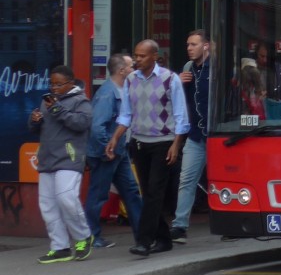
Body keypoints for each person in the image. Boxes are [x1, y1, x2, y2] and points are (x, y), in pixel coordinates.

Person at [107, 39, 189, 257]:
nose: (137, 59)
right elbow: (125, 114)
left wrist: (176, 144)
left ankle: (144, 241)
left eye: (142, 56)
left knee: (154, 192)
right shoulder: (131, 80)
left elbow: (181, 116)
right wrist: (116, 138)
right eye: (136, 55)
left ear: (155, 56)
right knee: (149, 193)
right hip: (139, 143)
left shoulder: (170, 79)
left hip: (163, 143)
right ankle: (163, 239)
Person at [30, 65, 94, 263]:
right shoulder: (47, 102)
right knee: (48, 206)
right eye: (52, 83)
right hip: (48, 159)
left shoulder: (80, 101)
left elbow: (81, 124)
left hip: (69, 158)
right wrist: (35, 121)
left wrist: (57, 110)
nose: (54, 87)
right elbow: (34, 129)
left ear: (71, 83)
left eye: (59, 84)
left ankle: (83, 237)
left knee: (66, 198)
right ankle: (60, 247)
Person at [84, 53, 142, 249]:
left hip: (118, 150)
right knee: (98, 194)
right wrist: (106, 148)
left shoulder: (121, 90)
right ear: (122, 71)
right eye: (130, 66)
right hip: (107, 153)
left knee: (131, 192)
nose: (134, 68)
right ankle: (91, 236)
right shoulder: (107, 94)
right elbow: (97, 127)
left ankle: (143, 235)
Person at [170, 30, 210, 245]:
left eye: (194, 44)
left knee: (219, 180)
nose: (189, 48)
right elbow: (178, 100)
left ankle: (228, 218)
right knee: (186, 179)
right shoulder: (187, 69)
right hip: (195, 134)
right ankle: (179, 226)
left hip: (215, 135)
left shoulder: (218, 67)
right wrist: (178, 82)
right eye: (188, 44)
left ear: (206, 46)